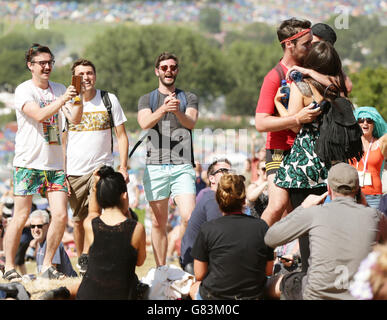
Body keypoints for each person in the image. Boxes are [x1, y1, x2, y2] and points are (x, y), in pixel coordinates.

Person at [3, 43, 82, 281]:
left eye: (50, 62)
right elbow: (39, 114)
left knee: (60, 216)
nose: (47, 67)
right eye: (42, 63)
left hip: (54, 164)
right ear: (31, 66)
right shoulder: (23, 90)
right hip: (28, 162)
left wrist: (77, 98)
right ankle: (8, 265)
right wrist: (63, 99)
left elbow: (75, 119)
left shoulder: (60, 89)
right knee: (20, 216)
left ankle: (47, 264)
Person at [265, 162, 387, 300]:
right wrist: (365, 205)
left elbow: (271, 237)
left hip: (316, 295)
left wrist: (303, 207)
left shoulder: (315, 213)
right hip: (360, 294)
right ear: (358, 189)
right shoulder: (375, 216)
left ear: (329, 188)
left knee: (272, 284)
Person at [64, 58, 129, 275]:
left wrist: (123, 166)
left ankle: (90, 256)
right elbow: (62, 141)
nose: (86, 78)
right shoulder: (67, 102)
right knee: (78, 220)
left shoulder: (108, 99)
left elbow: (121, 136)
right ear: (74, 78)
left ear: (95, 75)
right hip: (74, 171)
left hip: (101, 169)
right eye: (80, 74)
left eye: (89, 73)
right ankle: (83, 261)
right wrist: (61, 173)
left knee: (100, 215)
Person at [255, 18, 322, 227]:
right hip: (279, 149)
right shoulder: (274, 77)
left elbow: (346, 83)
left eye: (312, 42)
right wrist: (295, 119)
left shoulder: (311, 70)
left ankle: (297, 257)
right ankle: (254, 250)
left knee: (303, 212)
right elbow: (261, 122)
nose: (311, 47)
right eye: (306, 44)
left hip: (308, 150)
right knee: (277, 205)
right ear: (289, 44)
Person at [137, 52, 198, 267]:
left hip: (182, 165)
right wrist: (163, 108)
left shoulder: (189, 97)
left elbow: (190, 123)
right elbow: (144, 123)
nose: (169, 71)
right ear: (157, 71)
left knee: (189, 217)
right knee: (157, 221)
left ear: (177, 70)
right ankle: (161, 268)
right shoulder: (147, 99)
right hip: (156, 165)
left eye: (172, 67)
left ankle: (189, 261)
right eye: (164, 68)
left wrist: (177, 112)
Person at [189, 174, 274, 300]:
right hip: (254, 295)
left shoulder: (208, 229)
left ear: (218, 199)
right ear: (244, 199)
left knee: (194, 286)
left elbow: (199, 274)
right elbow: (268, 271)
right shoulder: (262, 227)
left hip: (214, 296)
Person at [76, 166, 146, 300]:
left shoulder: (90, 224)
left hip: (88, 295)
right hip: (121, 295)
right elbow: (139, 261)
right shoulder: (137, 228)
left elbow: (93, 212)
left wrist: (96, 184)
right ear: (125, 195)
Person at [180, 158, 232, 274]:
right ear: (211, 178)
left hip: (202, 259)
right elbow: (218, 235)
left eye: (230, 171)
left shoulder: (216, 198)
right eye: (223, 170)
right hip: (197, 264)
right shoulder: (212, 198)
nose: (228, 174)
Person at [351, 106, 387, 209]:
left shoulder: (381, 144)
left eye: (369, 120)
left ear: (374, 124)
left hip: (374, 196)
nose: (365, 123)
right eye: (361, 120)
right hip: (352, 195)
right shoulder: (350, 144)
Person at [29, 209, 77, 277]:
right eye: (32, 226)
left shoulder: (52, 244)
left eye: (39, 226)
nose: (36, 229)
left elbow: (50, 273)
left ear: (48, 226)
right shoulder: (39, 243)